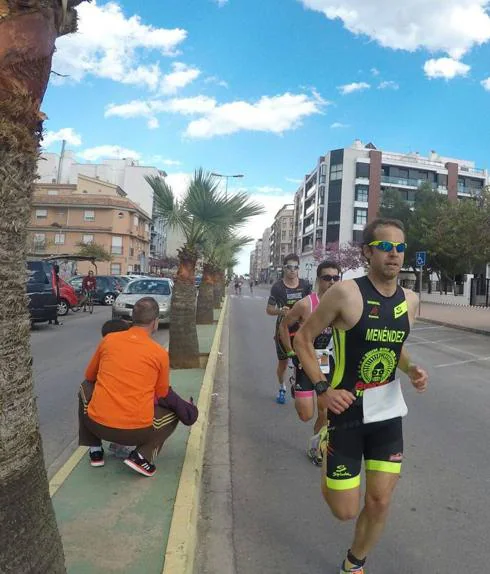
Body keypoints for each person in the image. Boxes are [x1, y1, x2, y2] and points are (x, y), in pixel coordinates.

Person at [294, 218, 428, 574]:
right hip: (346, 410)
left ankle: (354, 562)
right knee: (345, 511)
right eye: (385, 247)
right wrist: (322, 390)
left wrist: (412, 368)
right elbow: (302, 339)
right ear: (368, 252)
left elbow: (394, 346)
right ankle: (324, 442)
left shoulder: (411, 301)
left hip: (387, 412)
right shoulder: (345, 293)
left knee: (381, 501)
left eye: (400, 248)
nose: (394, 255)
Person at [78, 297, 179, 477]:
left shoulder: (109, 340)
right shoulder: (159, 353)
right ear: (155, 322)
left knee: (84, 388)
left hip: (97, 425)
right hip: (136, 433)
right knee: (172, 413)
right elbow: (162, 393)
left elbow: (89, 376)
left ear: (133, 318)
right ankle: (142, 456)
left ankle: (95, 450)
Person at [279, 260, 341, 464]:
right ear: (318, 279)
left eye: (335, 277)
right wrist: (290, 352)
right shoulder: (306, 304)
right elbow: (283, 326)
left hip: (326, 359)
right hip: (305, 359)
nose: (331, 282)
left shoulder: (342, 306)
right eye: (326, 278)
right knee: (306, 414)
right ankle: (296, 387)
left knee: (325, 410)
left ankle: (316, 447)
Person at [266, 253, 311, 404]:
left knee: (302, 360)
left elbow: (311, 304)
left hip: (301, 329)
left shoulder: (305, 285)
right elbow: (269, 309)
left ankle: (299, 387)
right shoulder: (277, 287)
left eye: (295, 267)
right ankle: (282, 387)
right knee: (283, 364)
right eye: (289, 267)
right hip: (283, 330)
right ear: (284, 268)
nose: (292, 270)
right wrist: (280, 311)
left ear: (299, 269)